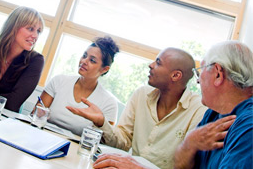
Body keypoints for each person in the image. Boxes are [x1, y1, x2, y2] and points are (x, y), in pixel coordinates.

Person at [67, 47, 208, 169]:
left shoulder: (199, 110)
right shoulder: (141, 94)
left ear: (176, 75)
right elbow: (122, 143)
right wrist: (101, 122)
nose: (150, 65)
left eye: (158, 63)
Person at [174, 41, 253, 169]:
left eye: (199, 72)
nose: (198, 80)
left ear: (217, 74)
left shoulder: (248, 127)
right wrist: (189, 144)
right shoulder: (214, 113)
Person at [37, 36, 119, 136]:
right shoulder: (59, 81)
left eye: (92, 60)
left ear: (104, 69)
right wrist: (39, 114)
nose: (84, 61)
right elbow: (35, 116)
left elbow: (105, 141)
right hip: (43, 137)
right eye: (84, 55)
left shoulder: (109, 103)